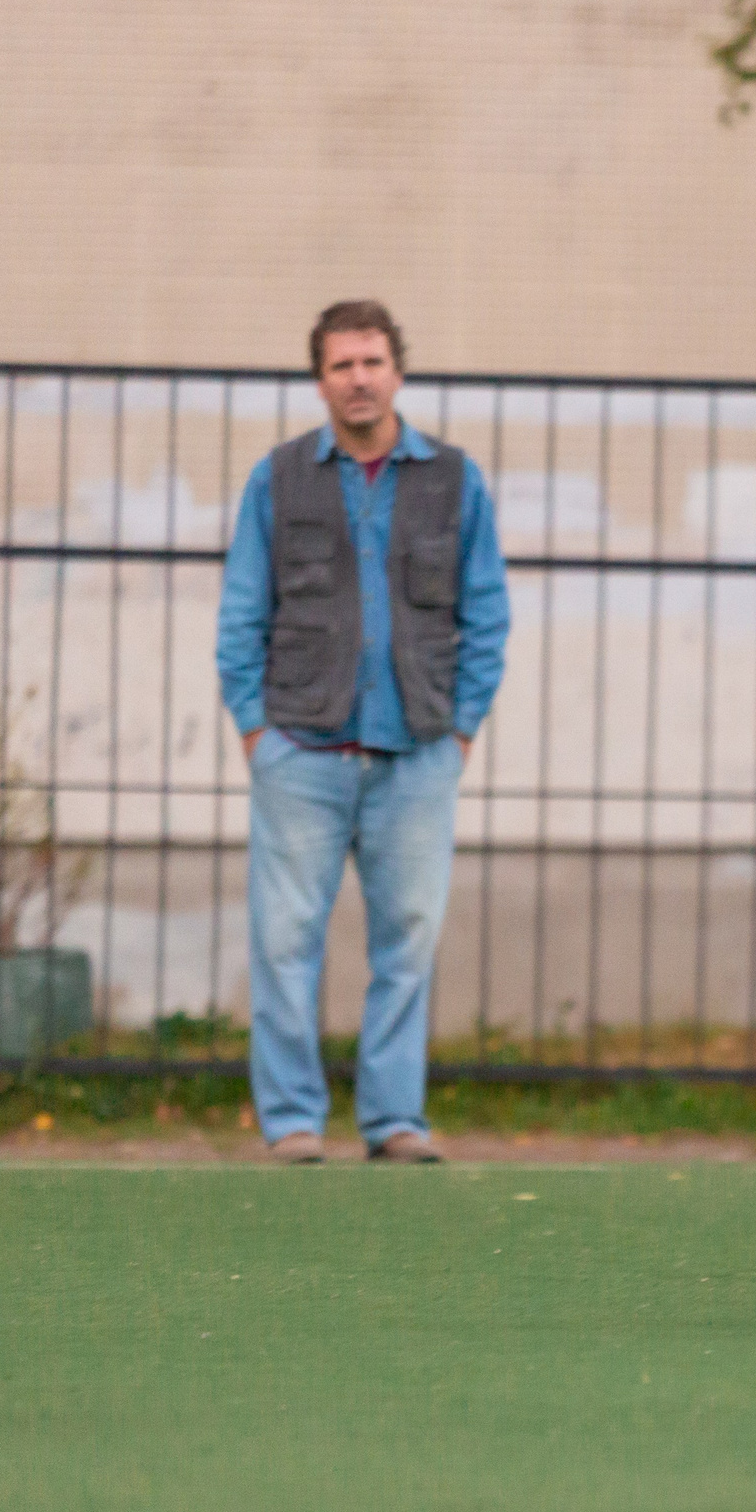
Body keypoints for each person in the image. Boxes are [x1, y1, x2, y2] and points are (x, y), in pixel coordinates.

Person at [215, 301, 511, 1165]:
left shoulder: (454, 479)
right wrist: (253, 730)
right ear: (321, 379)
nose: (358, 378)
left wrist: (460, 728)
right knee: (282, 941)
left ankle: (393, 1121)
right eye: (342, 364)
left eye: (372, 361)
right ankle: (294, 1121)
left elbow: (486, 612)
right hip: (298, 750)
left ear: (397, 371)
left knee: (408, 939)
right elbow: (242, 613)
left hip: (418, 748)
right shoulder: (278, 479)